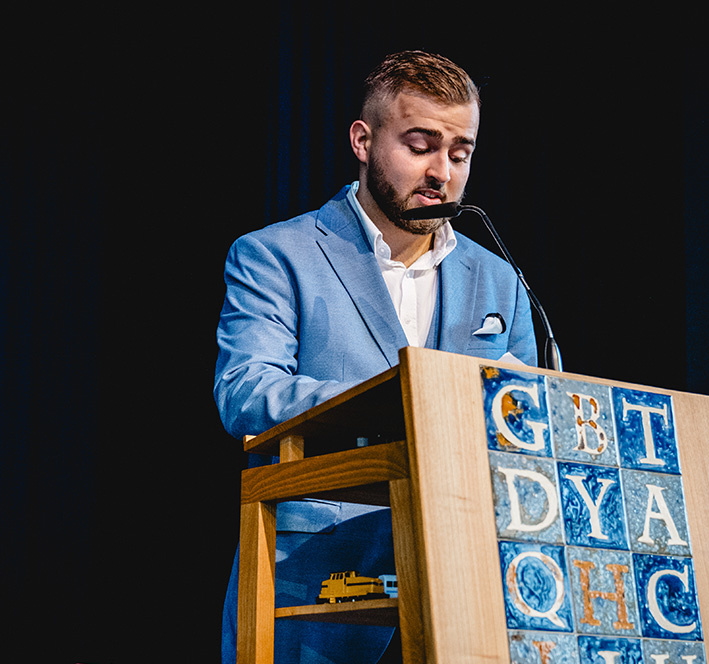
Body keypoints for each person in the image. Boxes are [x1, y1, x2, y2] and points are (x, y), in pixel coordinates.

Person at [215, 50, 537, 664]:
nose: (441, 172)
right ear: (363, 141)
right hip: (318, 583)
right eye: (420, 146)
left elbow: (527, 428)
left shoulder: (501, 279)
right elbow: (247, 391)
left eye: (461, 154)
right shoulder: (276, 255)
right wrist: (404, 400)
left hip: (467, 593)